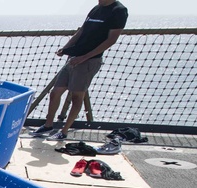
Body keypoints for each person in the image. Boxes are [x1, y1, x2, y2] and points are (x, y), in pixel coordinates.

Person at [31, 0, 128, 141]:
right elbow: (82, 30)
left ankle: (64, 131)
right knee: (55, 92)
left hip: (89, 60)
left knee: (77, 96)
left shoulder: (118, 11)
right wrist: (66, 48)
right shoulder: (96, 8)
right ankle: (48, 125)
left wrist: (84, 57)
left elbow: (111, 40)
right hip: (73, 57)